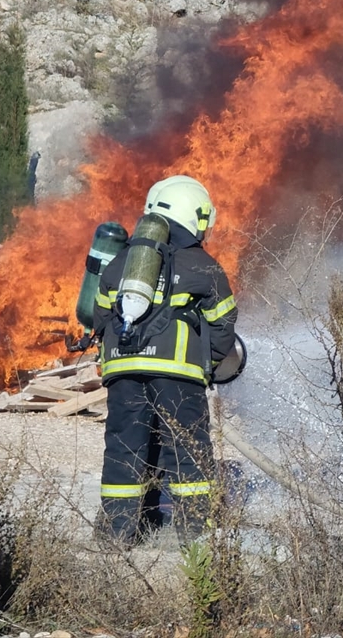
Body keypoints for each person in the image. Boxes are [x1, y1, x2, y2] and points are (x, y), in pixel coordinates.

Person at [92, 175, 238, 547]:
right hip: (178, 374)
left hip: (123, 371)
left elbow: (99, 317)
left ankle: (115, 535)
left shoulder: (121, 262)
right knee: (187, 447)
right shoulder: (203, 265)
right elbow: (224, 322)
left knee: (124, 448)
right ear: (195, 217)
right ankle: (196, 537)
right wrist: (210, 363)